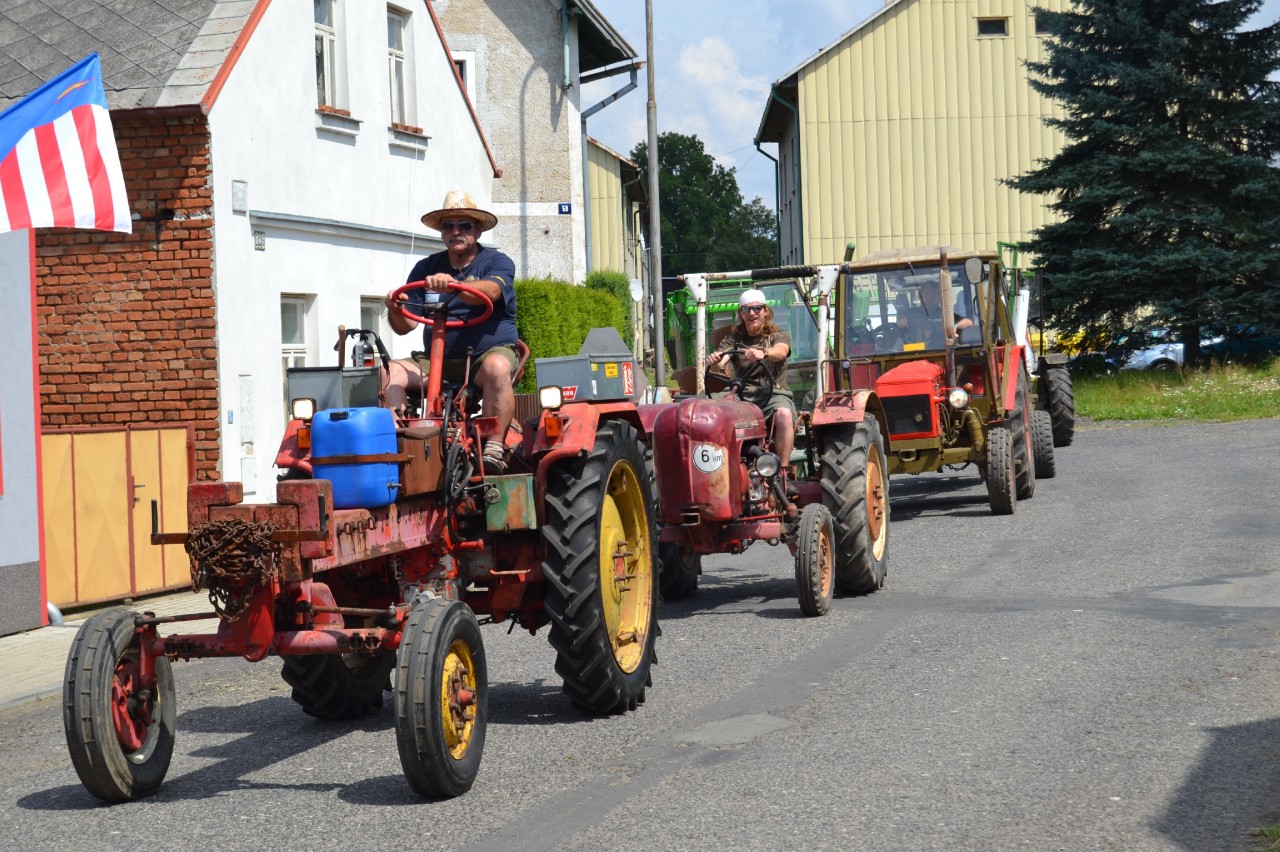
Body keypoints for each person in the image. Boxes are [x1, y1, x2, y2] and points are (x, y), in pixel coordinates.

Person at [385, 190, 518, 474]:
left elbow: (491, 292)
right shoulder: (426, 268)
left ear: (478, 230)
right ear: (442, 232)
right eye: (448, 226)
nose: (456, 232)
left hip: (483, 357)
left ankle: (494, 446)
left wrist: (454, 286)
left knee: (497, 367)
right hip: (436, 362)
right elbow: (406, 325)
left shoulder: (497, 263)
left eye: (464, 226)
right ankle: (398, 439)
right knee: (389, 371)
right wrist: (396, 308)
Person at [707, 289, 797, 473]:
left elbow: (781, 351)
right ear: (741, 314)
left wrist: (764, 353)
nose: (752, 313)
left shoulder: (777, 335)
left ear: (765, 311)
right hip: (742, 395)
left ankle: (782, 472)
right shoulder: (733, 339)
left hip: (773, 394)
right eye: (746, 309)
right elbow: (721, 362)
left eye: (756, 308)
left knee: (784, 415)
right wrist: (715, 362)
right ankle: (716, 467)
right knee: (708, 410)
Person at [895, 276, 974, 348]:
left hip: (941, 352)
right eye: (926, 293)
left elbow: (968, 322)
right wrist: (902, 320)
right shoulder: (910, 313)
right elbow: (901, 320)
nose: (930, 297)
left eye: (933, 294)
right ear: (920, 296)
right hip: (915, 352)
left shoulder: (945, 314)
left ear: (940, 297)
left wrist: (954, 326)